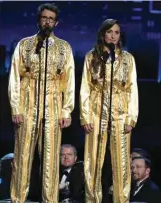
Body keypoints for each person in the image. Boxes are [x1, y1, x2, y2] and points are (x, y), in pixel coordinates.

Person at [8, 3, 75, 203]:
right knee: (22, 157)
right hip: (27, 105)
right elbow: (14, 77)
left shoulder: (64, 47)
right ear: (39, 20)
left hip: (53, 107)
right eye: (44, 18)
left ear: (56, 22)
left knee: (50, 159)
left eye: (51, 19)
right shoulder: (25, 44)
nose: (47, 21)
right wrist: (16, 107)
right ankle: (17, 199)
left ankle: (49, 200)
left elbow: (69, 81)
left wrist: (66, 111)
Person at [80, 19, 139, 203]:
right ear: (103, 34)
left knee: (121, 162)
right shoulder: (91, 57)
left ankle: (121, 200)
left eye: (117, 32)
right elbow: (85, 88)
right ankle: (92, 199)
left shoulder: (127, 59)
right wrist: (85, 116)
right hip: (96, 112)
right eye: (110, 32)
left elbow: (132, 89)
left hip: (120, 113)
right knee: (93, 160)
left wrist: (131, 118)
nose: (113, 36)